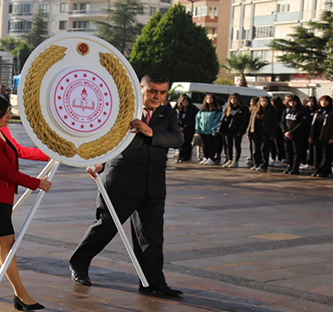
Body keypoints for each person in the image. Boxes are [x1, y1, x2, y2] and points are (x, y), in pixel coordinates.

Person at [70, 73, 184, 296]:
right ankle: (79, 263)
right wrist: (97, 162)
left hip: (153, 185)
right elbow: (103, 139)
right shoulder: (122, 111)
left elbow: (177, 139)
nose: (157, 96)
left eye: (162, 92)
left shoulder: (168, 113)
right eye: (152, 91)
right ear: (140, 88)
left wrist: (150, 131)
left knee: (151, 236)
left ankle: (152, 282)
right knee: (105, 227)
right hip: (120, 181)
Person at [0, 93, 50, 310]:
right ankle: (20, 295)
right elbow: (6, 172)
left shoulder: (1, 130)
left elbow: (20, 151)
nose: (8, 116)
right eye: (3, 113)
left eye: (7, 112)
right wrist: (36, 182)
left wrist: (51, 154)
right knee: (7, 245)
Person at [309, 95, 333, 177]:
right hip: (316, 136)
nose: (323, 102)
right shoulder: (317, 111)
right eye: (322, 101)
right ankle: (317, 170)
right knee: (317, 154)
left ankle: (324, 171)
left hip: (327, 136)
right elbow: (313, 124)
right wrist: (311, 136)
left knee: (326, 155)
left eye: (326, 101)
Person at [280, 95, 310, 175]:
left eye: (293, 101)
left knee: (296, 152)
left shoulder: (302, 110)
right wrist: (285, 131)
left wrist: (292, 132)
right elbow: (282, 122)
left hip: (297, 135)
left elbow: (302, 123)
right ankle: (290, 166)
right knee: (288, 151)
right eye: (290, 101)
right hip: (287, 135)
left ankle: (295, 168)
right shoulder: (286, 110)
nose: (292, 103)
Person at [219, 93, 249, 168]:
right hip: (228, 129)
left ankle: (236, 161)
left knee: (237, 145)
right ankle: (229, 159)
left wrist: (241, 131)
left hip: (237, 129)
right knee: (228, 145)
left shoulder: (243, 108)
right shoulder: (228, 108)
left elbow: (244, 121)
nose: (233, 100)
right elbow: (223, 118)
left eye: (235, 98)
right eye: (231, 98)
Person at [248, 96, 277, 171]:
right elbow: (251, 121)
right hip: (256, 131)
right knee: (255, 149)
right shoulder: (255, 110)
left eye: (266, 101)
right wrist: (249, 131)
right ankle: (256, 163)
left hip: (266, 132)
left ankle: (264, 164)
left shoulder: (272, 111)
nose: (264, 103)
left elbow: (274, 123)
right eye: (262, 101)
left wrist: (273, 134)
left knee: (264, 149)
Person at [194, 93, 221, 165]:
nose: (209, 99)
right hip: (203, 130)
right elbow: (198, 118)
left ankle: (211, 158)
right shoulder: (203, 109)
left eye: (211, 98)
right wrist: (197, 128)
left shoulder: (217, 109)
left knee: (212, 145)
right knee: (204, 145)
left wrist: (214, 129)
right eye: (207, 98)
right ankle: (205, 157)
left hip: (211, 131)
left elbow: (217, 119)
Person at [174, 94, 197, 163]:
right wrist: (178, 127)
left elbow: (193, 120)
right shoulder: (178, 110)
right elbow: (175, 119)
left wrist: (185, 127)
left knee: (187, 143)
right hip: (179, 129)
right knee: (180, 143)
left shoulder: (193, 109)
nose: (185, 103)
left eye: (186, 101)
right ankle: (180, 157)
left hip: (189, 130)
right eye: (183, 101)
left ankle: (186, 158)